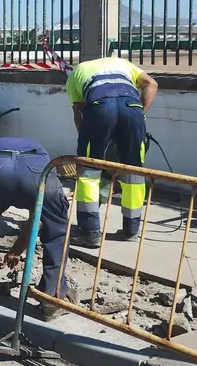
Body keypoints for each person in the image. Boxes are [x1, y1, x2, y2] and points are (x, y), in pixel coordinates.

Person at [0, 136, 76, 319]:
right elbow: (36, 219)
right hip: (36, 170)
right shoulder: (39, 151)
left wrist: (15, 251)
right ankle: (50, 301)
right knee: (57, 234)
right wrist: (17, 250)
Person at [66, 57, 159, 247]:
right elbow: (151, 84)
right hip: (133, 109)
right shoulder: (122, 63)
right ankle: (131, 230)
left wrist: (87, 146)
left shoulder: (75, 73)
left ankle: (90, 232)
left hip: (100, 108)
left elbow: (79, 114)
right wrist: (140, 114)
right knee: (134, 172)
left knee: (89, 173)